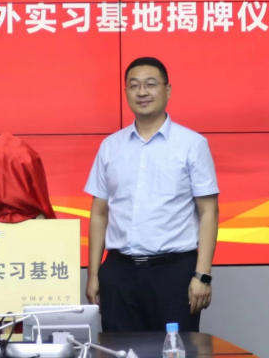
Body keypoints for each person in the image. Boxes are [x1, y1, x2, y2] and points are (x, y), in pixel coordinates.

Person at [84, 57, 219, 332]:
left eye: (150, 84)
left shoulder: (192, 144)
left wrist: (203, 275)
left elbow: (209, 212)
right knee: (118, 349)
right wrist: (94, 274)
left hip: (174, 273)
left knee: (176, 349)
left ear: (167, 90)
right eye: (134, 86)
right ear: (126, 93)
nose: (142, 92)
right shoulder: (110, 146)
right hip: (119, 273)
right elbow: (99, 213)